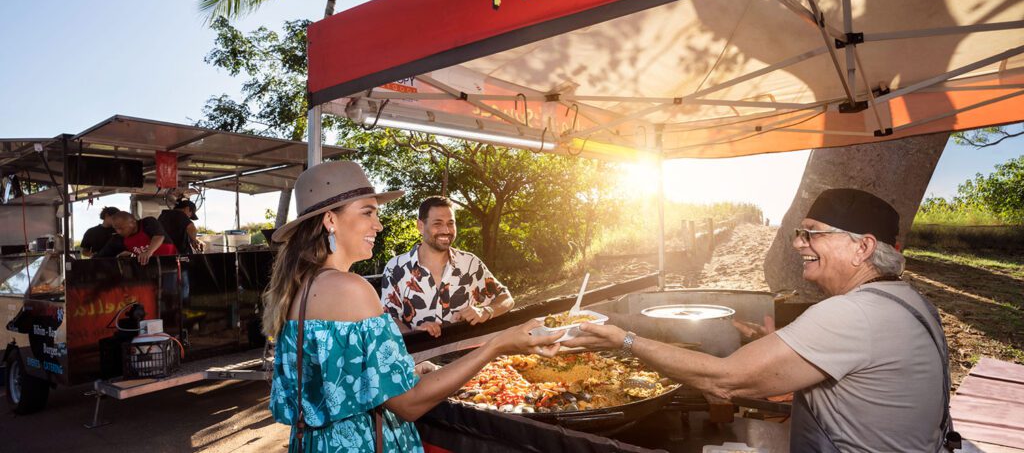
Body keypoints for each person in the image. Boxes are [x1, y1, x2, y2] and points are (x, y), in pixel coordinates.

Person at [565, 188, 956, 452]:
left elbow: (724, 380)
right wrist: (771, 341)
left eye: (813, 234)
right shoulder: (909, 301)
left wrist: (624, 340)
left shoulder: (851, 314)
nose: (798, 243)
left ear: (863, 247)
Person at [265, 161, 561, 453]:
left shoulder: (300, 289)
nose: (378, 225)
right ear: (330, 220)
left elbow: (350, 378)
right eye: (368, 212)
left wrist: (411, 369)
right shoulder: (351, 288)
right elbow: (407, 403)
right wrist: (497, 345)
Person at [380, 196, 515, 338]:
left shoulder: (470, 263)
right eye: (437, 224)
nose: (446, 230)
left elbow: (506, 299)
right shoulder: (395, 267)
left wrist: (486, 311)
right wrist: (415, 332)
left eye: (451, 223)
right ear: (420, 226)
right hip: (420, 357)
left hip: (469, 355)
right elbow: (388, 320)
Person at [94, 211, 177, 265]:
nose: (118, 232)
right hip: (150, 268)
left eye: (121, 228)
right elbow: (103, 255)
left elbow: (159, 237)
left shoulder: (148, 222)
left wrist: (148, 252)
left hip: (173, 262)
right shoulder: (118, 239)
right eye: (116, 228)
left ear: (133, 222)